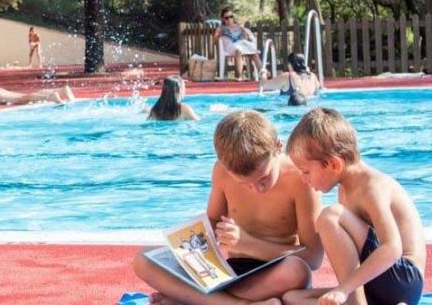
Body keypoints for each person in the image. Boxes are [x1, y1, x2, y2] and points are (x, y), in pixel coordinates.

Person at [133, 110, 323, 305]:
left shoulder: (301, 179)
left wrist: (247, 244)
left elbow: (313, 257)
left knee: (297, 270)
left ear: (277, 147)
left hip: (274, 272)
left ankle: (195, 299)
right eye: (244, 183)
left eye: (263, 178)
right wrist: (193, 241)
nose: (257, 189)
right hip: (230, 274)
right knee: (144, 259)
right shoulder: (221, 171)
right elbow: (213, 221)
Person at [282, 108, 425, 305]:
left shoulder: (372, 187)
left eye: (306, 171)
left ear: (333, 164)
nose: (304, 179)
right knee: (293, 298)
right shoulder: (345, 188)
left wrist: (344, 288)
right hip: (376, 281)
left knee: (330, 216)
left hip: (403, 279)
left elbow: (392, 248)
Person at [213, 8, 262, 81]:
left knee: (254, 53)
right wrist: (218, 36)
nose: (229, 19)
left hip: (241, 44)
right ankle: (240, 76)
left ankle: (263, 73)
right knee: (238, 50)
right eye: (226, 18)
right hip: (230, 46)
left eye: (231, 17)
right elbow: (214, 41)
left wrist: (244, 34)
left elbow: (245, 37)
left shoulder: (239, 26)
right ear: (223, 19)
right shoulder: (221, 28)